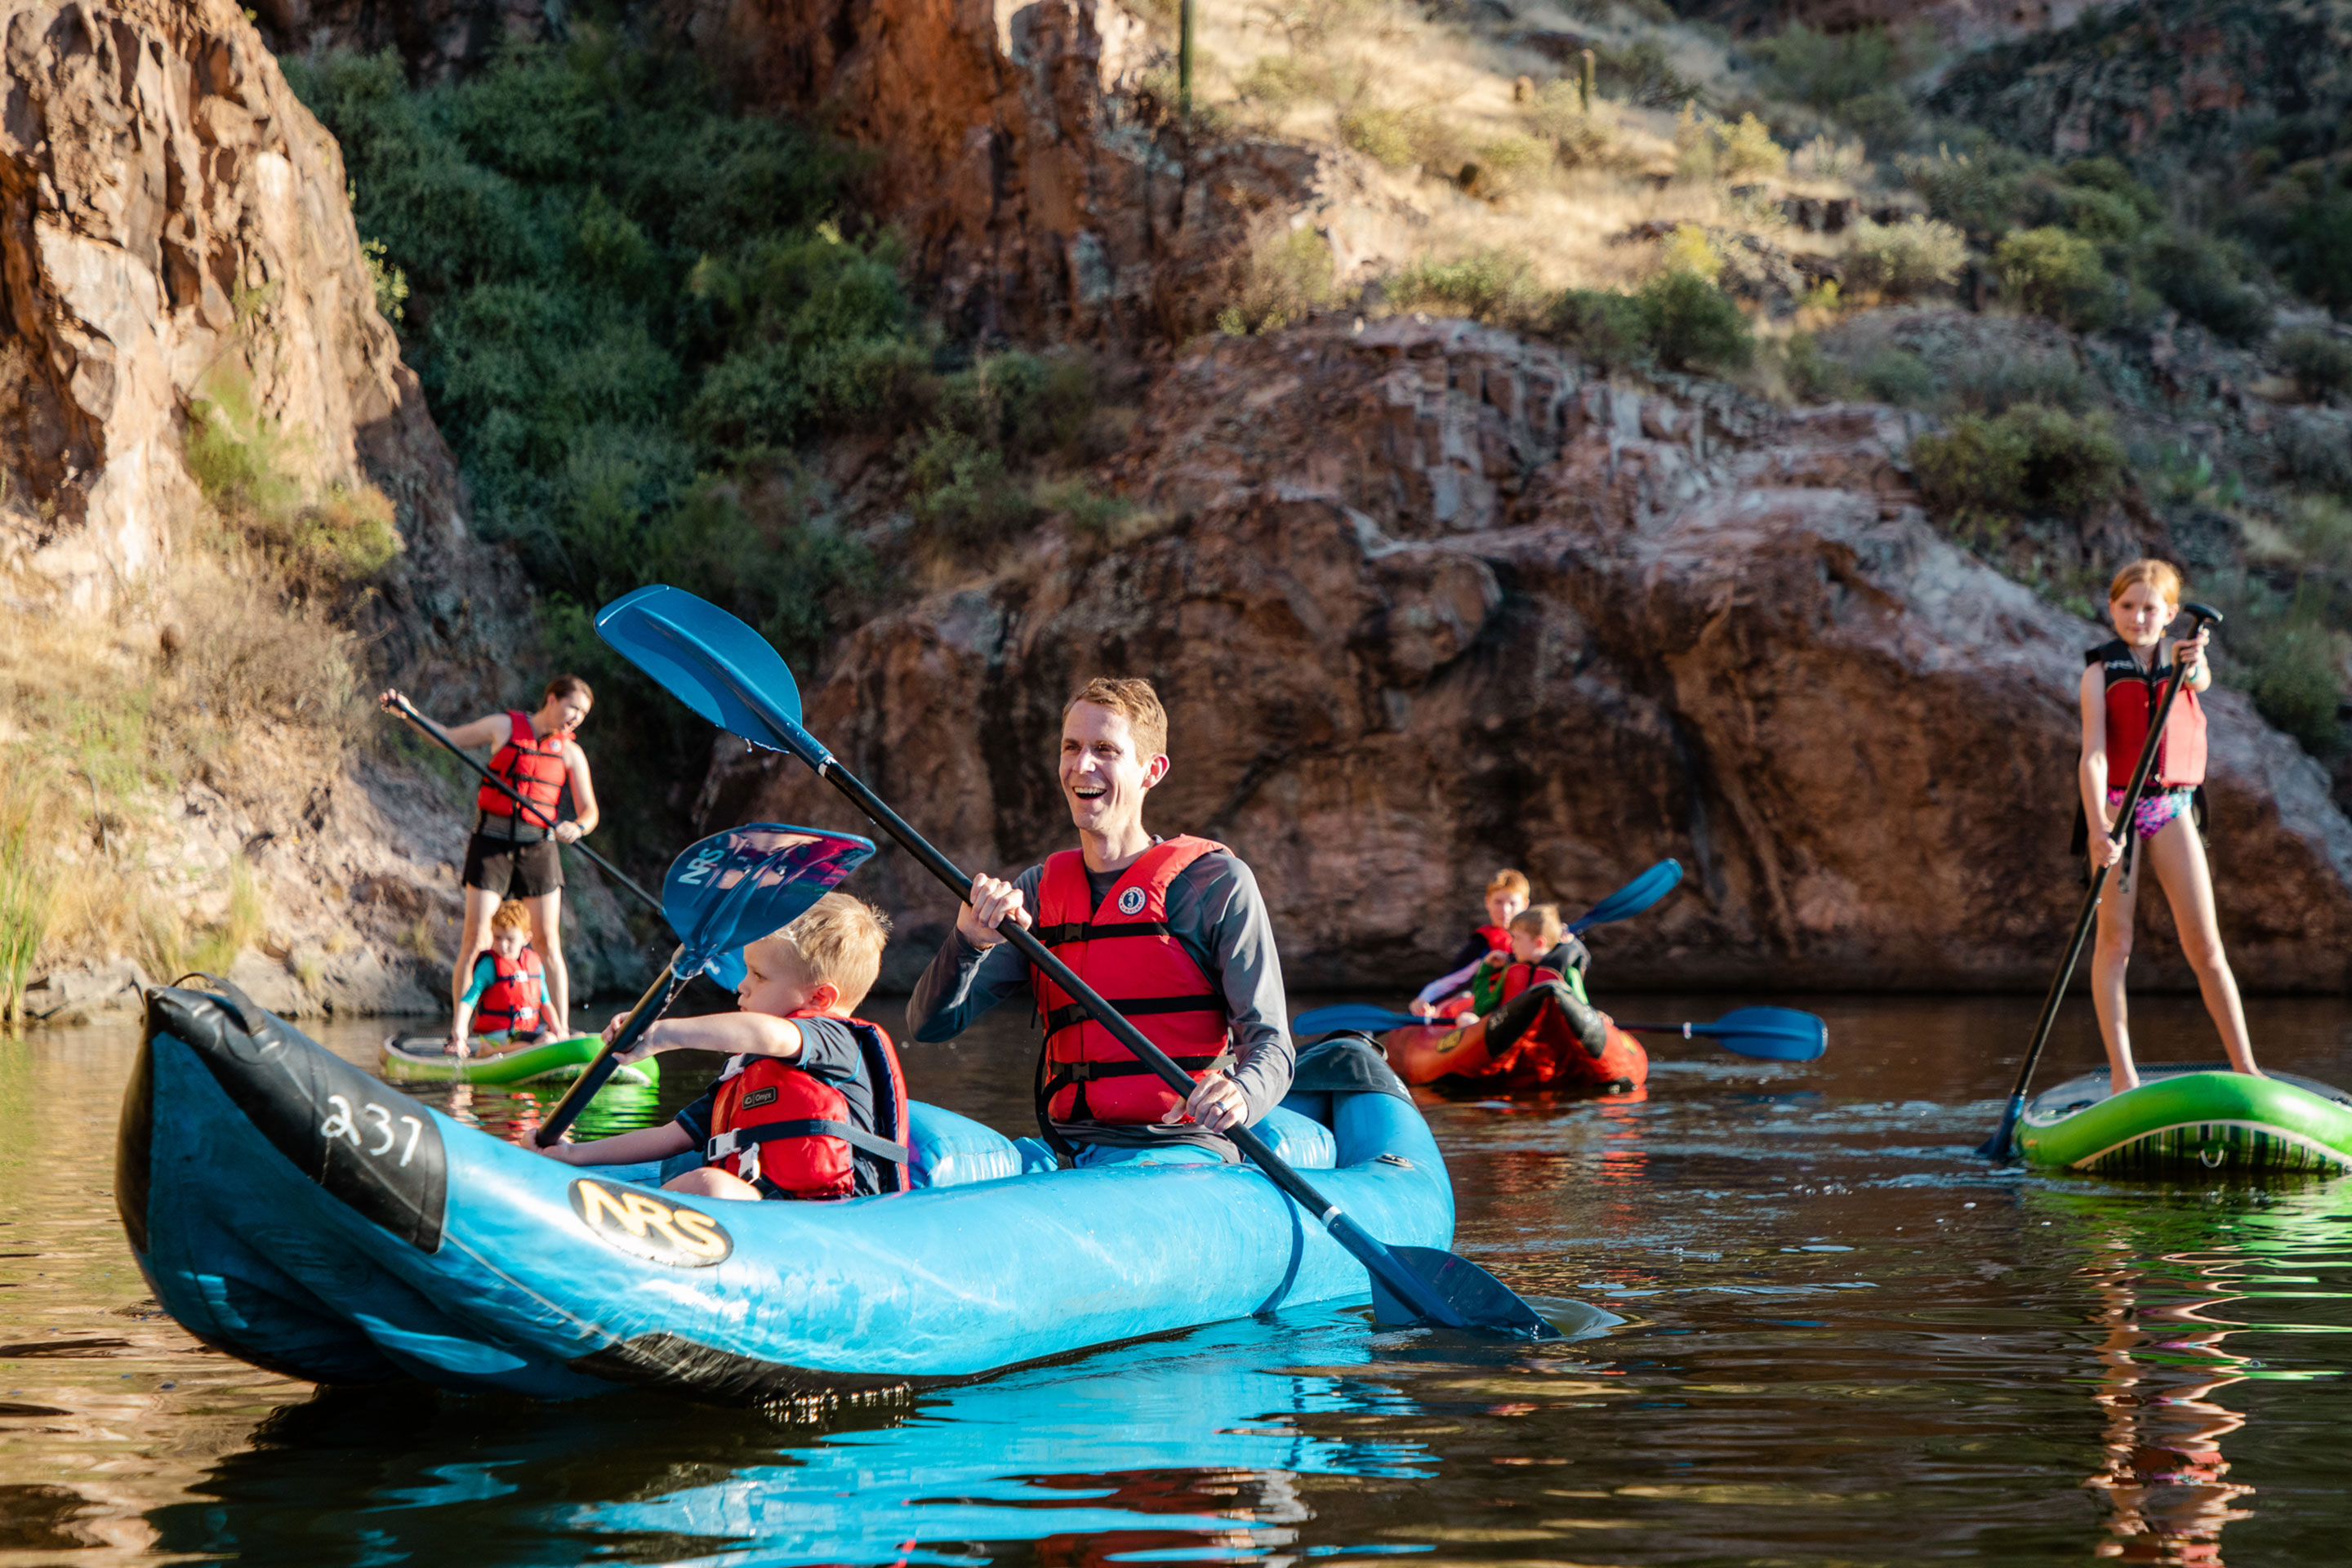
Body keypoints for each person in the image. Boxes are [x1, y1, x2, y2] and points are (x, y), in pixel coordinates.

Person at [906, 677, 1295, 1166]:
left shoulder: (1215, 884)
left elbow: (1272, 1047)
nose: (1081, 765)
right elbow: (929, 1026)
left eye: (1105, 749)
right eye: (1072, 747)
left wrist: (1241, 1094)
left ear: (1151, 771)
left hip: (1176, 1149)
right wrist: (967, 942)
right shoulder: (1038, 892)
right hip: (1064, 1149)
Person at [538, 893, 910, 1202]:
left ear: (821, 998)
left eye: (759, 976)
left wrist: (662, 1035)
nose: (741, 987)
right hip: (766, 1209)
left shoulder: (836, 1040)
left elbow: (769, 1034)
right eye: (746, 971)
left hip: (838, 1219)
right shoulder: (745, 1073)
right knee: (707, 1182)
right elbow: (670, 1137)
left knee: (707, 1184)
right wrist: (573, 1154)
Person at [2078, 559, 2259, 1089]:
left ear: (2172, 614)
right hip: (2116, 811)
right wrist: (2097, 828)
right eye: (2127, 607)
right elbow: (2092, 755)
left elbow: (2200, 679)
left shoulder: (2187, 661)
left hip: (2170, 807)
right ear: (2112, 609)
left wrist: (2195, 661)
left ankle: (2246, 1066)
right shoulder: (2098, 673)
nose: (2138, 617)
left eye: (2150, 608)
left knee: (2205, 946)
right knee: (2116, 943)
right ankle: (2122, 1074)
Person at [381, 677, 600, 1037]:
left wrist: (578, 827)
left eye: (583, 714)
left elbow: (589, 812)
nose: (576, 718)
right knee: (478, 939)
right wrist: (409, 714)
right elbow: (448, 738)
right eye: (573, 707)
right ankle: (460, 1033)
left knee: (547, 942)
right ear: (552, 699)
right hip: (492, 842)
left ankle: (560, 1033)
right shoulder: (504, 726)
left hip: (538, 847)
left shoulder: (571, 753)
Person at [1408, 870, 1535, 1019]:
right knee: (1465, 1002)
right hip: (1485, 1006)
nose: (1505, 910)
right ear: (1487, 902)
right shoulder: (1481, 945)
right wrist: (1424, 998)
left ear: (1525, 904)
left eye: (1512, 903)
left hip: (1520, 1005)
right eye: (1498, 902)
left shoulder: (1535, 939)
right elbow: (1454, 979)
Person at [446, 900, 555, 1056]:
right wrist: (460, 1034)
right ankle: (490, 1051)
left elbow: (546, 1003)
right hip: (498, 1036)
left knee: (573, 1036)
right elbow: (468, 1001)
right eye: (497, 938)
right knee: (548, 1041)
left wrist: (559, 1029)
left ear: (526, 938)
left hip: (524, 1032)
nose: (503, 945)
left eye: (510, 939)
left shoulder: (534, 963)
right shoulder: (489, 965)